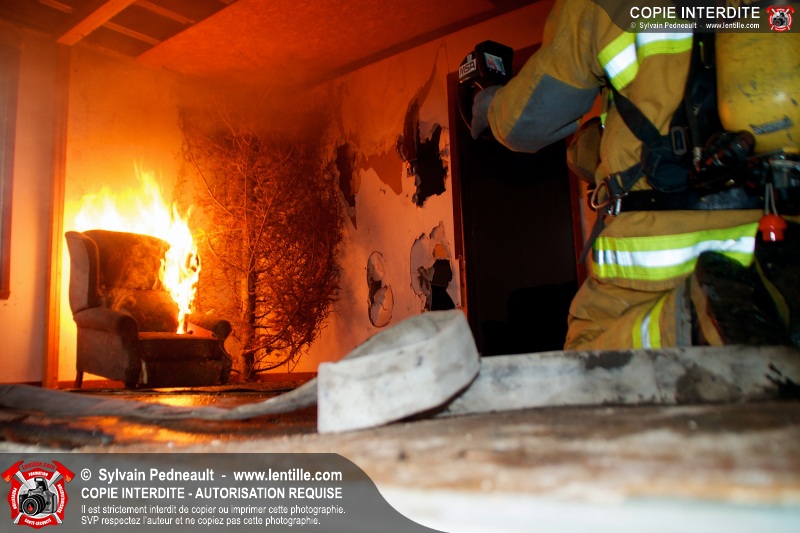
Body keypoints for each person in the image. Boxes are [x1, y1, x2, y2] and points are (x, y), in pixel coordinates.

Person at [470, 0, 800, 351]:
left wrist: (486, 106)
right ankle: (768, 306)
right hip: (781, 226)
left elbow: (524, 123)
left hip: (662, 247)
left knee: (586, 354)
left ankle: (695, 322)